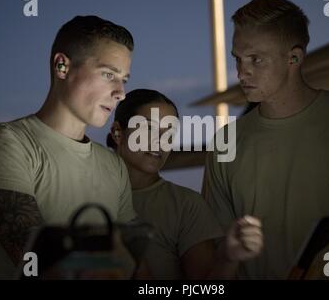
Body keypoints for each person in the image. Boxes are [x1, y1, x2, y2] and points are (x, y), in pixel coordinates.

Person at [202, 0, 329, 279]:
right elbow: (216, 251)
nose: (242, 72)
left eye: (256, 59)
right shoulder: (224, 143)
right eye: (237, 59)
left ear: (294, 57)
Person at [0, 16, 136, 279]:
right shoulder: (6, 143)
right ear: (62, 66)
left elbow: (133, 262)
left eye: (124, 79)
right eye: (108, 75)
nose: (121, 92)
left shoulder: (114, 165)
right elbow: (35, 261)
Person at [107, 89, 264, 279]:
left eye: (170, 132)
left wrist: (228, 259)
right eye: (149, 128)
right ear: (117, 132)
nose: (160, 141)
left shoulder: (186, 206)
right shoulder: (76, 192)